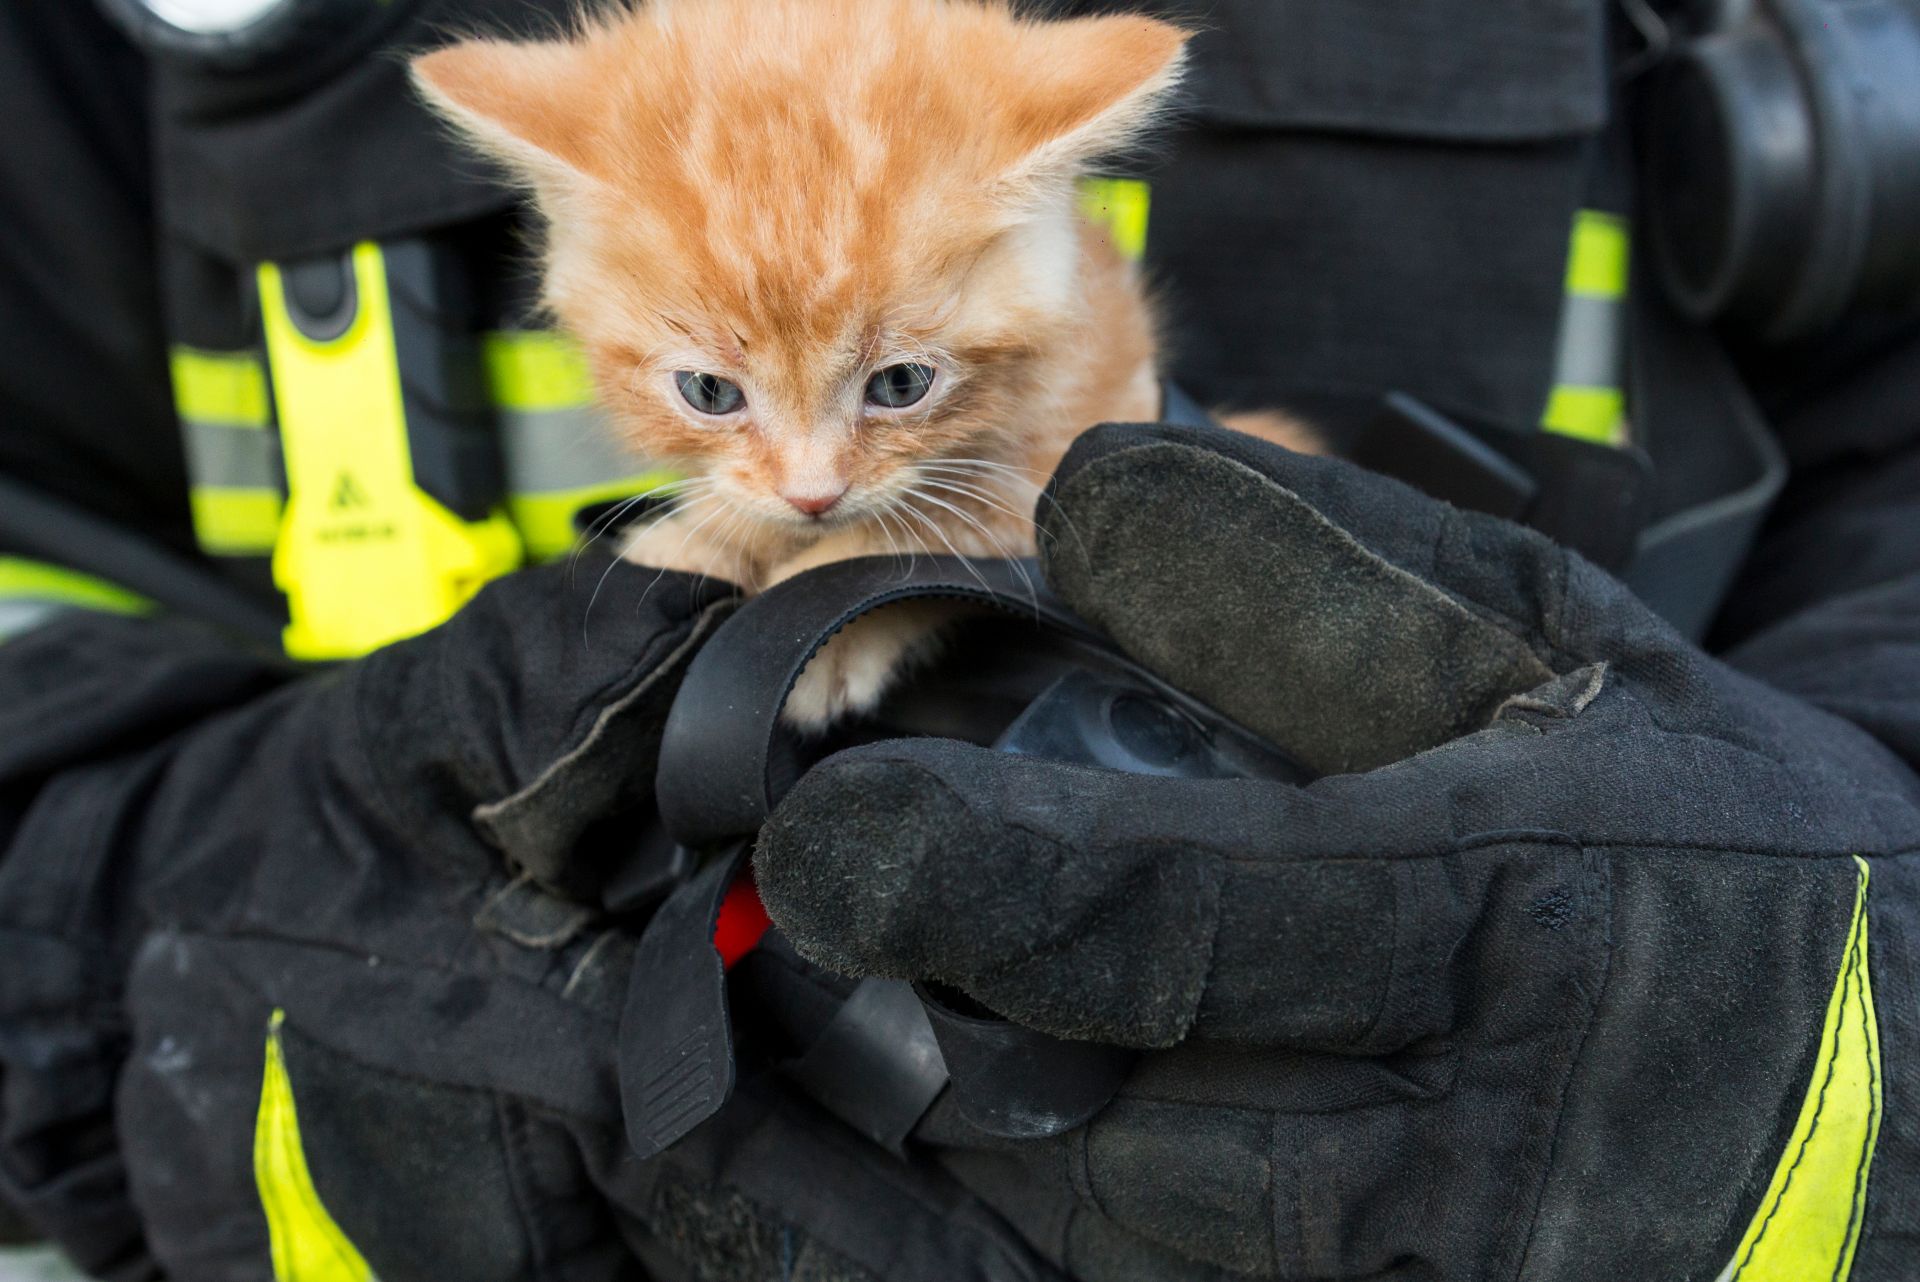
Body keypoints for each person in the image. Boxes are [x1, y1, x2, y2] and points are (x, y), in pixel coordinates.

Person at [2, 2, 1917, 1281]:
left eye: (899, 388)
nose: (819, 481)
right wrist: (236, 905)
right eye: (715, 394)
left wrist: (1858, 916)